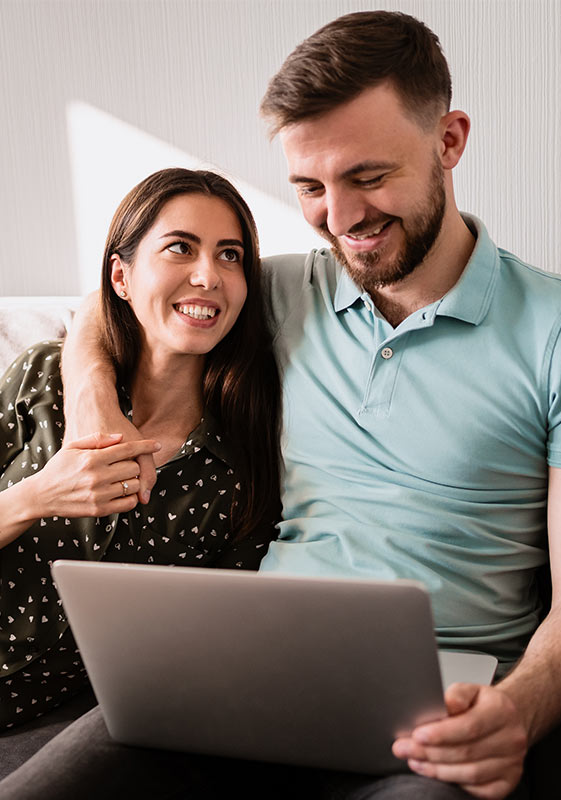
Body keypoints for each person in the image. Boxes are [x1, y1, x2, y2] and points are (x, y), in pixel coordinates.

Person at [2, 11, 561, 800]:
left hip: (438, 706)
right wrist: (89, 402)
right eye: (311, 188)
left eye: (368, 177)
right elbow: (122, 299)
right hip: (244, 675)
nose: (342, 220)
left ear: (449, 141)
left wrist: (517, 710)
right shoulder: (283, 290)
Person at [0, 168, 280, 759]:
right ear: (121, 277)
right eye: (180, 247)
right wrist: (40, 495)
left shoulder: (244, 461)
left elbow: (217, 645)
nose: (208, 276)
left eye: (230, 256)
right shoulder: (45, 377)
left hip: (67, 727)